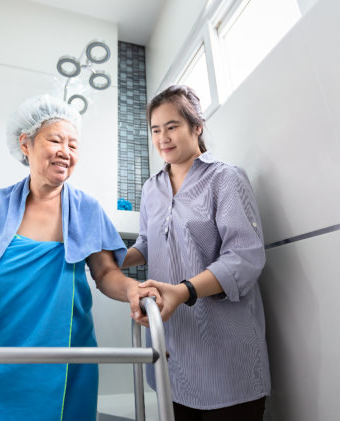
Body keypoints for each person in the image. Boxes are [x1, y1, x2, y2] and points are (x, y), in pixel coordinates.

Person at [0, 95, 161, 421]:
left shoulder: (86, 208)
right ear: (25, 143)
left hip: (66, 361)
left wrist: (130, 289)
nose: (65, 152)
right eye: (55, 140)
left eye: (73, 145)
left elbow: (105, 274)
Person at [123, 85, 271, 420]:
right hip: (174, 349)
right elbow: (147, 243)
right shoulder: (151, 188)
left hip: (225, 352)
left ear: (197, 126)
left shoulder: (225, 178)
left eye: (172, 126)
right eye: (156, 130)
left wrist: (184, 290)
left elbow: (244, 258)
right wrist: (112, 257)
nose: (163, 138)